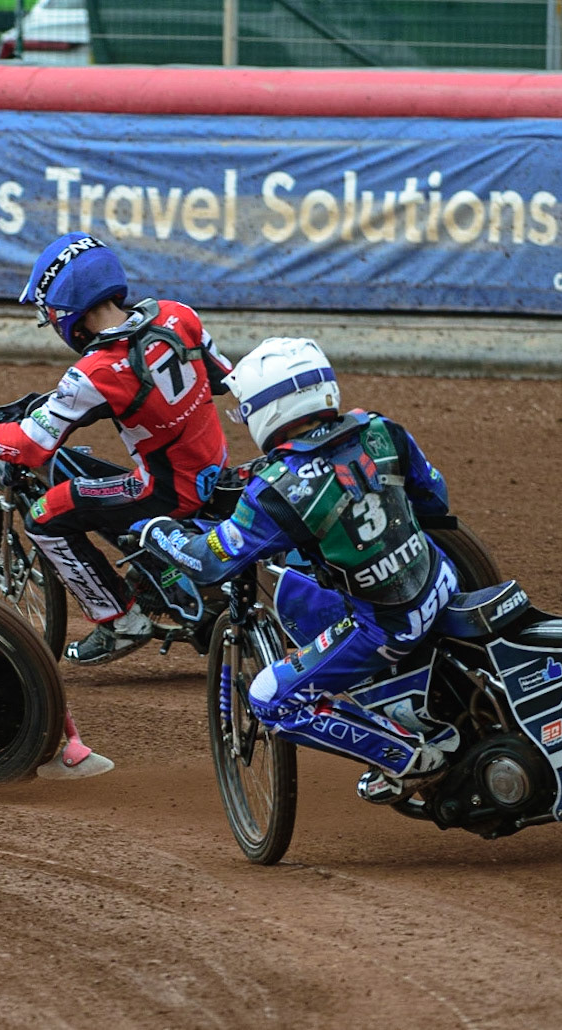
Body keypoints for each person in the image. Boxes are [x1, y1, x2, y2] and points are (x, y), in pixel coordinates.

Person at [138, 337, 462, 804]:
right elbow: (434, 500)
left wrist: (158, 532)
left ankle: (408, 758)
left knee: (271, 699)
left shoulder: (276, 490)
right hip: (441, 578)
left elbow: (210, 562)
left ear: (270, 410)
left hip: (388, 625)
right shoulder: (381, 429)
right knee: (305, 588)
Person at [0, 232, 234, 665]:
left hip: (167, 491)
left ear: (64, 309)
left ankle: (119, 621)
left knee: (46, 516)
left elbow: (30, 445)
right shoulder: (177, 314)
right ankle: (158, 573)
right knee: (95, 474)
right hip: (215, 469)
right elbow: (222, 377)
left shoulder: (95, 370)